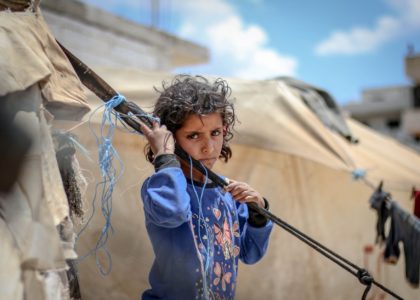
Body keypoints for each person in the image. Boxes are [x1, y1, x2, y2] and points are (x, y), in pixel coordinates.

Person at [139, 75, 273, 300]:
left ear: (225, 129)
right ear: (171, 138)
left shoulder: (228, 194)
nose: (208, 147)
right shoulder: (162, 186)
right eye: (193, 136)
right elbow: (173, 212)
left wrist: (258, 212)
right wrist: (166, 157)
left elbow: (250, 253)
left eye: (215, 133)